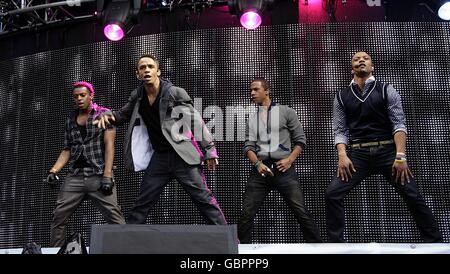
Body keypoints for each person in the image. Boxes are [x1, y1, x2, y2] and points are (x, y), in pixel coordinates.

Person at [94, 54, 227, 225]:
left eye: (150, 66)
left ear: (158, 71)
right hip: (160, 158)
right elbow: (121, 115)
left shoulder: (173, 92)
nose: (147, 70)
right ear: (138, 74)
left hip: (182, 155)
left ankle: (230, 240)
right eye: (142, 68)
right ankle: (128, 243)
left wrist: (209, 150)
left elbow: (195, 121)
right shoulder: (138, 96)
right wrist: (106, 114)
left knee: (204, 199)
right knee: (143, 201)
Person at [325, 51, 443, 243]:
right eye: (356, 59)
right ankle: (335, 245)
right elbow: (339, 129)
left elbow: (399, 124)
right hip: (358, 154)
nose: (361, 60)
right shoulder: (341, 96)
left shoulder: (387, 89)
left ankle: (435, 243)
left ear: (372, 67)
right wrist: (342, 154)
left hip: (388, 152)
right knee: (332, 193)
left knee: (412, 194)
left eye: (365, 58)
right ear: (352, 67)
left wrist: (401, 156)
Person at [238, 77, 323, 243]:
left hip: (284, 170)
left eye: (256, 89)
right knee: (246, 213)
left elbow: (300, 140)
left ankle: (318, 248)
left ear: (267, 91)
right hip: (260, 171)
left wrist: (289, 160)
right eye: (250, 90)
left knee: (301, 211)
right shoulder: (252, 119)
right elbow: (248, 146)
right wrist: (257, 164)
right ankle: (242, 253)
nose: (252, 93)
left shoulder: (287, 112)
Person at [46, 81, 125, 247]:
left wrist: (107, 176)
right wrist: (53, 171)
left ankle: (125, 249)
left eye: (83, 95)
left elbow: (110, 145)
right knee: (58, 217)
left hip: (98, 175)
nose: (79, 99)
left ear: (91, 96)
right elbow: (67, 149)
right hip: (75, 176)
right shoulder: (70, 120)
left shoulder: (103, 114)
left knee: (115, 217)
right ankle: (56, 252)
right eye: (76, 97)